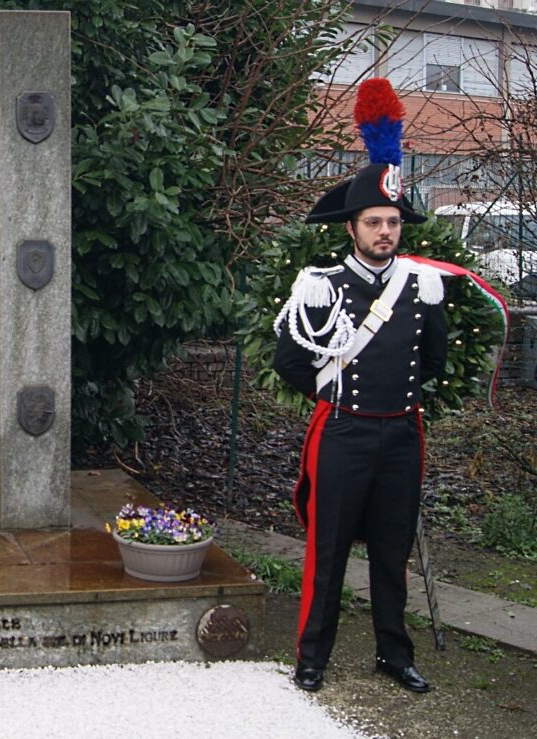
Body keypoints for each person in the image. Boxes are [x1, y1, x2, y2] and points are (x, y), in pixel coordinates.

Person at [272, 78, 447, 694]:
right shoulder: (321, 285)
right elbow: (289, 360)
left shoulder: (422, 288)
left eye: (393, 222)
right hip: (343, 431)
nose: (385, 232)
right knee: (328, 552)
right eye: (374, 222)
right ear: (351, 227)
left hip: (399, 433)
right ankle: (312, 654)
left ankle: (393, 654)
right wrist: (335, 396)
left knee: (392, 552)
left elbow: (433, 360)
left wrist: (391, 405)